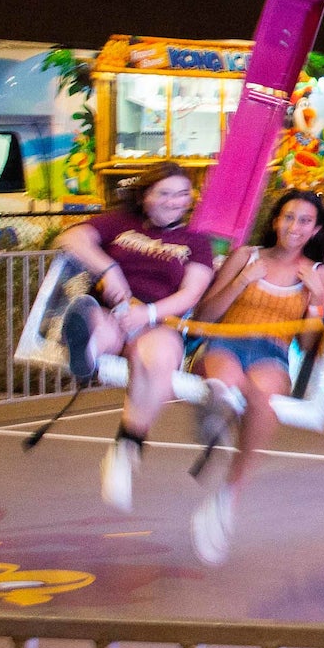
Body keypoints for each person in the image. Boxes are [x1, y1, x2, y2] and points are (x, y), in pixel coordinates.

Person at [57, 162, 216, 512]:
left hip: (161, 320)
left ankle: (125, 448)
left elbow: (191, 293)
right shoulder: (119, 223)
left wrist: (149, 313)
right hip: (115, 312)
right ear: (145, 197)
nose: (174, 202)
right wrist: (109, 269)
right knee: (101, 323)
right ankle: (88, 348)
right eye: (164, 193)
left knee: (156, 358)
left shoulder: (196, 241)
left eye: (182, 194)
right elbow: (71, 237)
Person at [187, 191, 324, 564]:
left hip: (273, 351)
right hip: (226, 340)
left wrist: (316, 301)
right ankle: (214, 416)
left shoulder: (318, 273)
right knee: (224, 383)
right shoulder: (245, 256)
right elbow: (206, 313)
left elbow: (307, 342)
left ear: (315, 229)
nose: (294, 227)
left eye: (304, 221)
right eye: (288, 217)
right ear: (275, 220)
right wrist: (241, 281)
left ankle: (229, 494)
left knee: (263, 399)